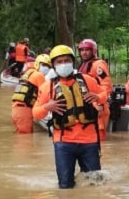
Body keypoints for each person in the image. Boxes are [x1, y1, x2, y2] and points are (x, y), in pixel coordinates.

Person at [33, 45, 107, 189]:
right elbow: (35, 113)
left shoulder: (87, 80)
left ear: (73, 62)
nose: (63, 64)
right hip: (64, 142)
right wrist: (47, 107)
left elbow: (104, 95)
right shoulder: (47, 87)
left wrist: (98, 96)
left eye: (66, 60)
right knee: (65, 186)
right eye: (59, 62)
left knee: (94, 185)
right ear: (53, 65)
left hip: (89, 141)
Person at [77, 38, 113, 140]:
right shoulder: (84, 65)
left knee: (99, 137)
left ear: (93, 51)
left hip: (98, 104)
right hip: (87, 104)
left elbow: (106, 86)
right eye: (82, 50)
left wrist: (99, 103)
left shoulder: (98, 65)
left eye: (87, 50)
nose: (84, 53)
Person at [11, 54, 52, 133]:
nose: (46, 68)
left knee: (22, 136)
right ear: (37, 64)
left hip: (16, 109)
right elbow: (45, 93)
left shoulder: (29, 72)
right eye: (44, 65)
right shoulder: (39, 75)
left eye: (48, 66)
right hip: (24, 110)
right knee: (25, 141)